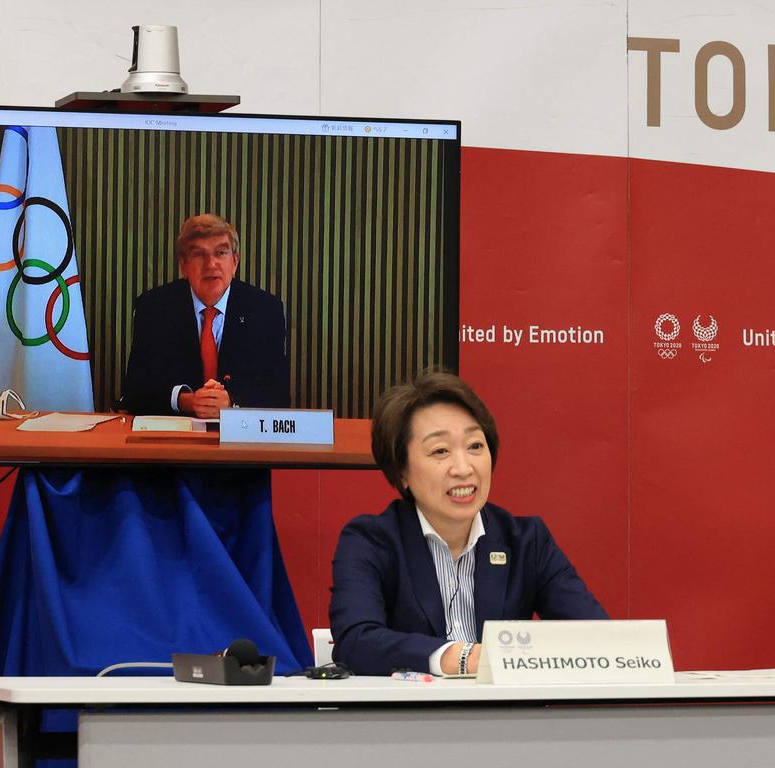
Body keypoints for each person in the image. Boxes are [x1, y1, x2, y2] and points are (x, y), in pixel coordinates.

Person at [329, 371, 607, 676]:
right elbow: (356, 642)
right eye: (440, 451)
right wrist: (458, 657)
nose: (463, 468)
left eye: (475, 446)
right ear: (402, 473)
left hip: (510, 720)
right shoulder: (372, 541)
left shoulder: (527, 541)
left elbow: (597, 639)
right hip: (409, 720)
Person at [120, 214, 290, 417]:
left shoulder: (264, 310)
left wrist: (232, 402)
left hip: (241, 440)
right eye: (200, 254)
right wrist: (186, 401)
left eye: (221, 253)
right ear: (183, 265)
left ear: (235, 262)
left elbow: (277, 395)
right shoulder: (154, 308)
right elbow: (135, 392)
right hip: (174, 439)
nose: (211, 264)